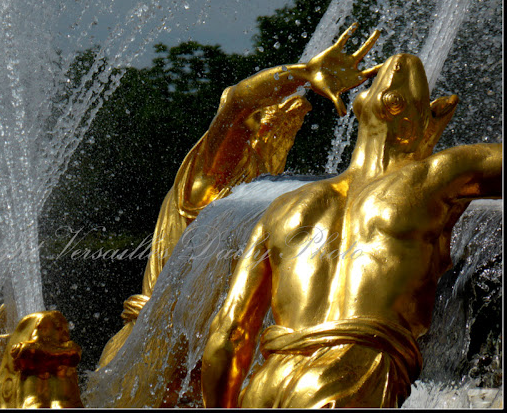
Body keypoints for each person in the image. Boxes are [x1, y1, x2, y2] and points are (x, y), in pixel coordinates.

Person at [201, 51, 502, 408]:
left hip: (269, 381)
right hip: (346, 379)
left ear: (360, 109)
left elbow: (228, 332)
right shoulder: (436, 176)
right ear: (422, 123)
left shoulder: (285, 206)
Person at [97, 23, 382, 369]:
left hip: (204, 359)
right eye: (280, 127)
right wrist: (301, 74)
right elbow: (235, 101)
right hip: (151, 357)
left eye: (291, 132)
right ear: (255, 128)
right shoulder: (212, 181)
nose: (286, 138)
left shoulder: (262, 195)